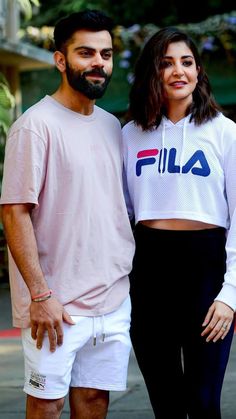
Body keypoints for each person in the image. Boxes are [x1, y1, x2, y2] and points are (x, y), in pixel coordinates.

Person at [0, 9, 135, 419]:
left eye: (106, 54)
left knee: (94, 401)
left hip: (112, 299)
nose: (99, 62)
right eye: (85, 53)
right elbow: (14, 213)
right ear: (61, 60)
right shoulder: (34, 126)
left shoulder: (114, 127)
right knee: (47, 404)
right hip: (55, 305)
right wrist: (41, 296)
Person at [122, 26, 236, 419]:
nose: (178, 71)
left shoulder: (224, 133)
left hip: (206, 273)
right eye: (166, 63)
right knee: (166, 404)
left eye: (186, 62)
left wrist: (229, 295)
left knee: (204, 403)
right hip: (149, 273)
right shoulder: (129, 136)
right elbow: (121, 215)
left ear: (199, 71)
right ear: (152, 72)